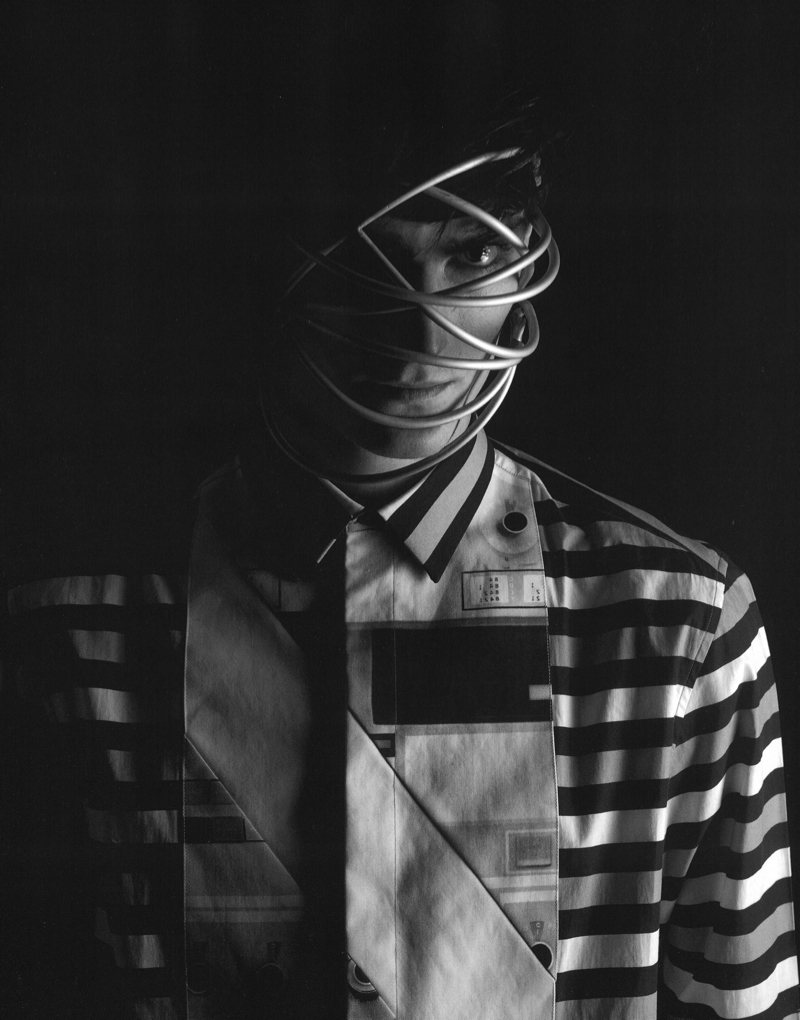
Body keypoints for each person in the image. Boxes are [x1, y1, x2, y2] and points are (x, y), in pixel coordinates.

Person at [3, 10, 799, 1020]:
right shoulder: (71, 626)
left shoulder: (679, 629)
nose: (420, 329)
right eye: (368, 257)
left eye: (468, 253)